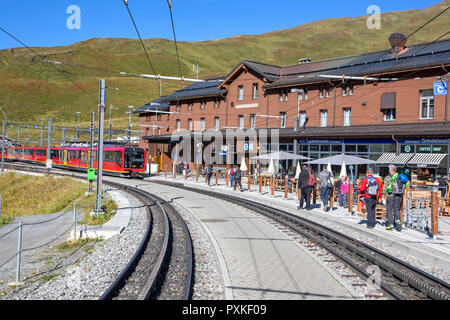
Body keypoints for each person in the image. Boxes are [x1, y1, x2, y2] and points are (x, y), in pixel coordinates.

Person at [383, 165, 406, 231]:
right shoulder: (399, 177)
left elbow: (384, 188)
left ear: (390, 170)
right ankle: (398, 222)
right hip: (398, 196)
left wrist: (384, 195)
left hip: (390, 196)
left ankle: (390, 225)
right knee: (396, 209)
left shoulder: (388, 177)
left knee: (389, 210)